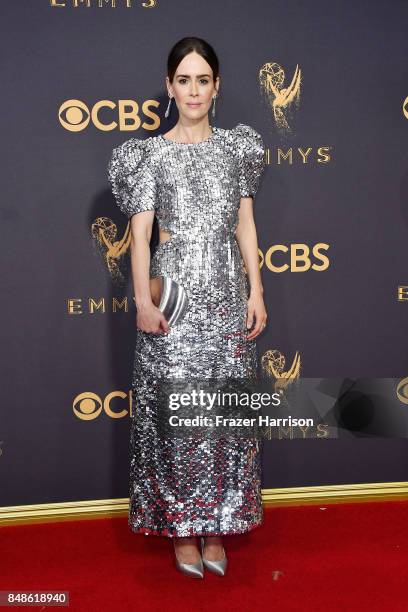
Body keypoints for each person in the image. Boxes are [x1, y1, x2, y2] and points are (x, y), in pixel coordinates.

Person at [108, 36, 268, 578]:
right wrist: (142, 302)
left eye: (203, 79)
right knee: (173, 416)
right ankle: (180, 529)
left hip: (226, 296)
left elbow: (245, 224)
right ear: (169, 85)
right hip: (172, 297)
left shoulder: (239, 149)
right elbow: (140, 237)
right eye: (184, 79)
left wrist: (257, 290)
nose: (193, 90)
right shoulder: (145, 154)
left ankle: (218, 523)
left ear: (217, 87)